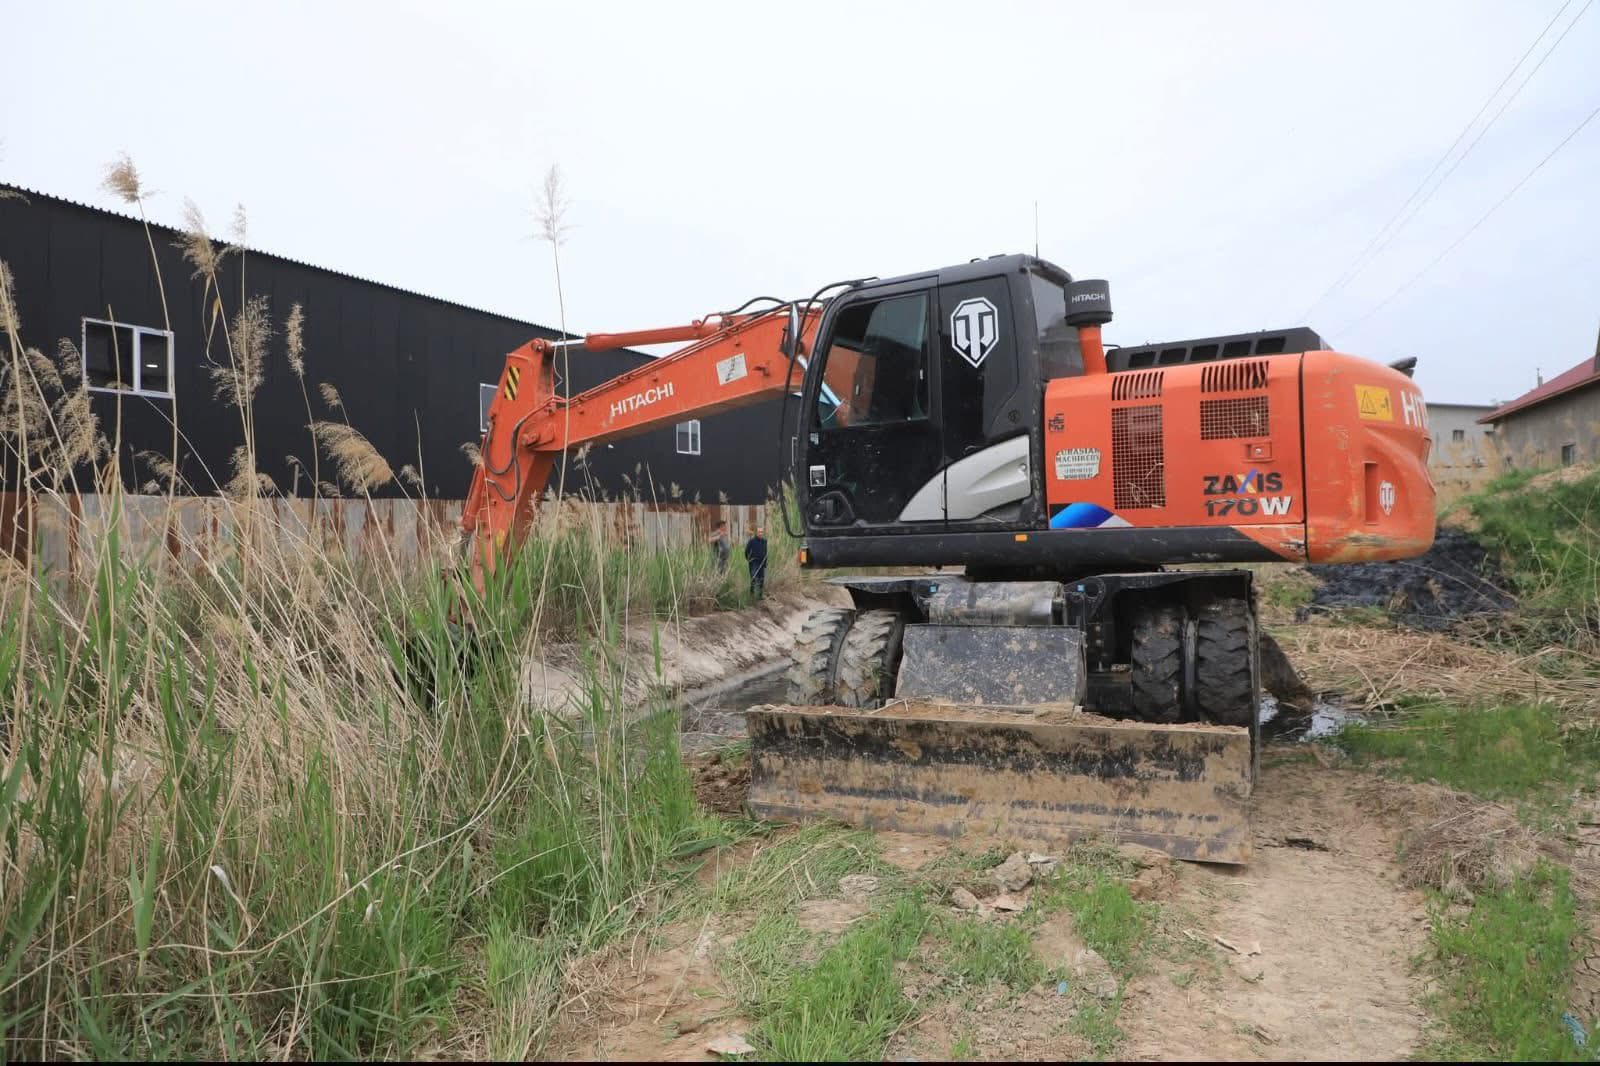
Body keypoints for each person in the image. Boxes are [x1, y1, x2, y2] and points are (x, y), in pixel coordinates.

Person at [744, 525, 768, 600]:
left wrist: (765, 562)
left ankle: (760, 596)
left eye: (761, 532)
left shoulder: (764, 541)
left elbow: (765, 552)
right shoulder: (752, 541)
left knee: (761, 579)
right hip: (754, 562)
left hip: (762, 562)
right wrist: (749, 559)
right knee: (754, 578)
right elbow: (746, 551)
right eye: (759, 532)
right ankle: (752, 595)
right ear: (756, 533)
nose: (760, 533)